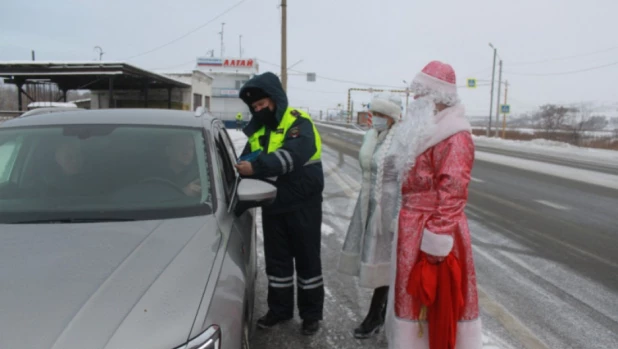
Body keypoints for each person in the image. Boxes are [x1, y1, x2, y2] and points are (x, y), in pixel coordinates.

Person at [384, 61, 482, 349]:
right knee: (410, 296)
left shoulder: (454, 134)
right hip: (414, 226)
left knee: (431, 296)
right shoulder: (428, 130)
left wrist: (436, 241)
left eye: (420, 94)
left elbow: (453, 192)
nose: (414, 100)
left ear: (438, 97)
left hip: (433, 230)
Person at [234, 71, 325, 336]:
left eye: (263, 105)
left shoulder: (298, 121)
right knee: (277, 263)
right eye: (255, 108)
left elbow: (293, 155)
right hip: (272, 203)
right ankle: (280, 310)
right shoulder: (258, 131)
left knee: (308, 262)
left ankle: (310, 316)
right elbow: (246, 162)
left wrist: (257, 167)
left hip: (303, 204)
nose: (259, 110)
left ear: (275, 99)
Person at [337, 93, 402, 339]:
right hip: (368, 204)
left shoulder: (401, 141)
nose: (375, 119)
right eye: (374, 114)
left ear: (392, 118)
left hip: (388, 208)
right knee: (373, 259)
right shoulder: (371, 135)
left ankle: (376, 315)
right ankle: (380, 314)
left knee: (385, 261)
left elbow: (404, 180)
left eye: (380, 115)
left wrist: (397, 216)